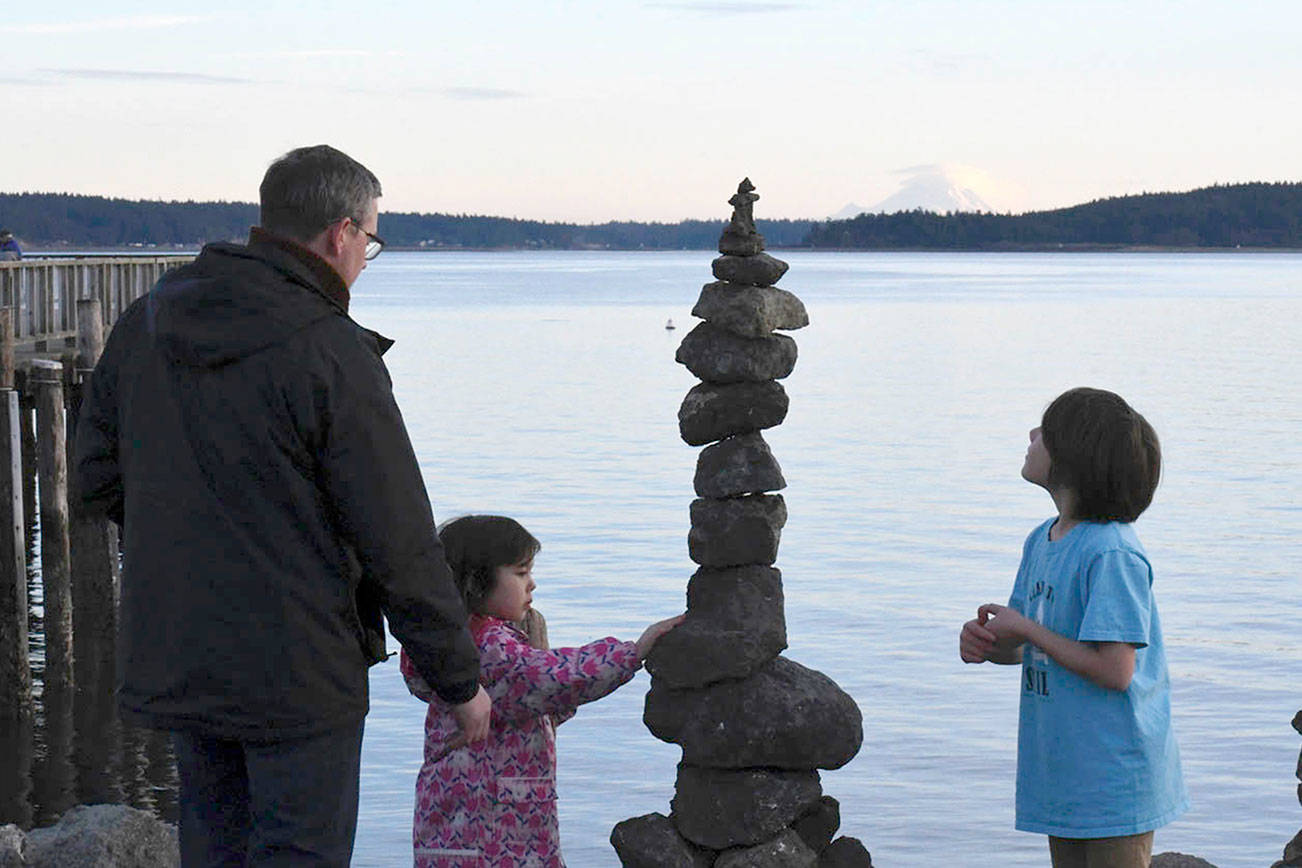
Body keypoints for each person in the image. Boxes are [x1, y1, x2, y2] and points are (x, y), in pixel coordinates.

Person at [73, 145, 491, 867]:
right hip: (299, 671)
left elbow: (94, 481)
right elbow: (399, 540)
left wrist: (189, 539)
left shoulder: (147, 321)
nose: (365, 258)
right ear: (340, 234)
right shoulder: (331, 351)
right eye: (371, 241)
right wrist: (459, 679)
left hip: (182, 651)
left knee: (215, 851)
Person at [959, 387, 1188, 868]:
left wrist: (1026, 628)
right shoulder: (1043, 540)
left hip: (1112, 777)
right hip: (1062, 773)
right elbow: (1029, 645)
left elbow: (1114, 670)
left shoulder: (1112, 553)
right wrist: (988, 644)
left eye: (1046, 431)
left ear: (1074, 457)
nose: (1031, 435)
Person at [400, 514, 684, 867]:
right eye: (520, 574)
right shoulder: (492, 648)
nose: (531, 584)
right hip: (497, 834)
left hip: (448, 822)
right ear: (476, 580)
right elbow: (555, 678)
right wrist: (634, 652)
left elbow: (539, 702)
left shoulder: (448, 645)